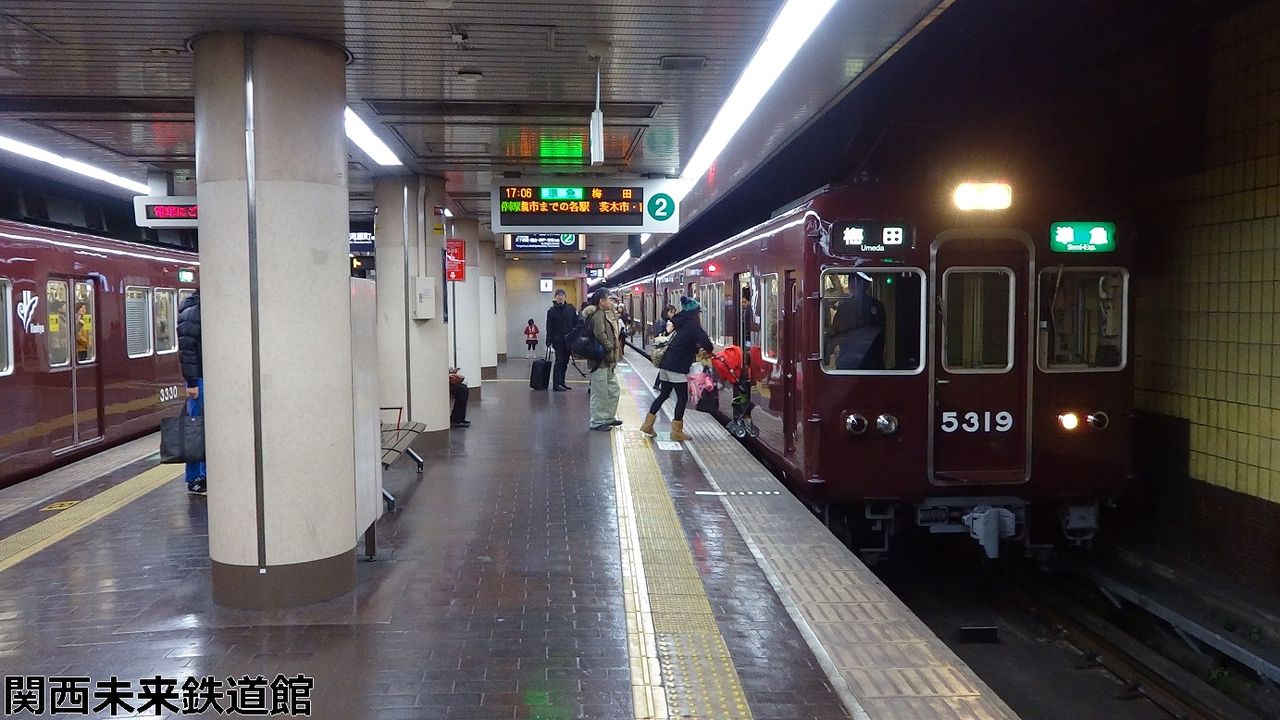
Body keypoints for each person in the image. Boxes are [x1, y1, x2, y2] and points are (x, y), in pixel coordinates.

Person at [640, 296, 713, 442]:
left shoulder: (680, 323)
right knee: (682, 397)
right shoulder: (692, 325)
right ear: (694, 313)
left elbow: (686, 341)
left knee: (663, 395)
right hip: (677, 366)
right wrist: (708, 349)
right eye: (698, 312)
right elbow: (705, 341)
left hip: (667, 364)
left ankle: (647, 425)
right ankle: (676, 431)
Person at [177, 291, 206, 494]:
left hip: (208, 378)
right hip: (200, 381)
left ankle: (204, 474)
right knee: (197, 428)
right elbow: (187, 351)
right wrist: (192, 382)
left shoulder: (203, 309)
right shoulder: (192, 313)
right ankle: (197, 476)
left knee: (204, 429)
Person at [830, 274, 886, 370]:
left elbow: (837, 334)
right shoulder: (878, 306)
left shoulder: (844, 308)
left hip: (849, 365)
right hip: (874, 364)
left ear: (852, 284)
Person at [584, 289, 621, 431]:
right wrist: (610, 347)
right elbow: (600, 334)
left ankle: (608, 417)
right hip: (599, 360)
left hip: (608, 360)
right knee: (599, 392)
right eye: (609, 299)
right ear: (601, 301)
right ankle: (597, 421)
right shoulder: (597, 315)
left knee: (613, 389)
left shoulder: (606, 313)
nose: (611, 302)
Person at [545, 288, 577, 391]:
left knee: (565, 362)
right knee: (559, 361)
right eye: (558, 295)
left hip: (569, 340)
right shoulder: (551, 311)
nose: (560, 297)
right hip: (558, 341)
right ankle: (556, 384)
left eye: (562, 295)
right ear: (555, 297)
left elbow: (576, 322)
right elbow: (549, 326)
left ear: (565, 297)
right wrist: (548, 340)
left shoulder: (571, 308)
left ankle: (562, 383)